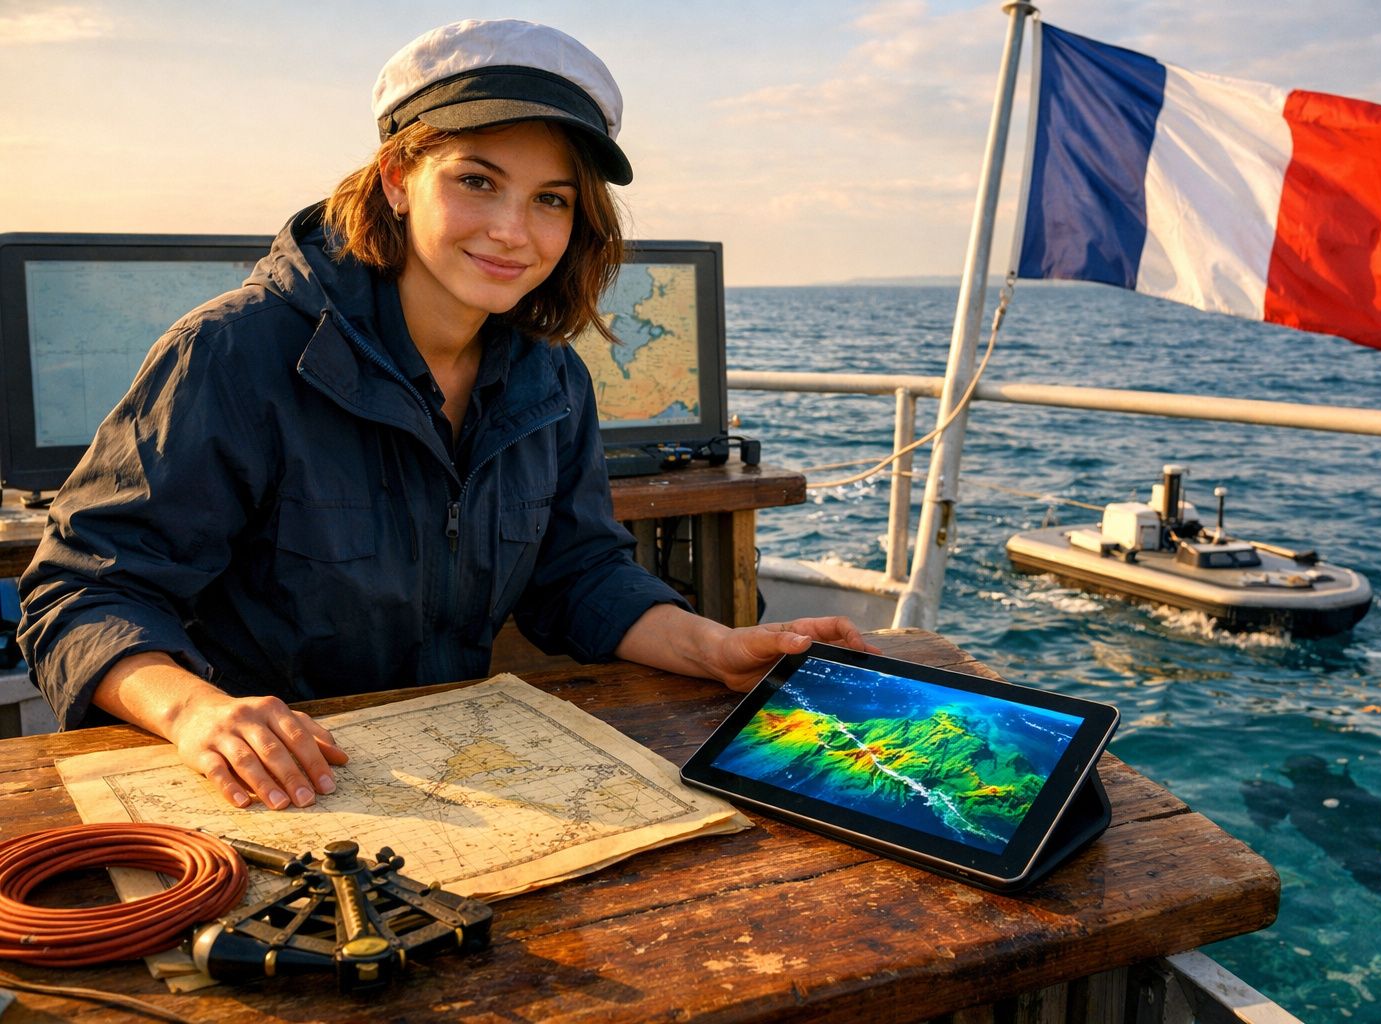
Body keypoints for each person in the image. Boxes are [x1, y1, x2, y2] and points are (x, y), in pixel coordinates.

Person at [17, 19, 871, 813]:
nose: (513, 231)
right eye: (476, 181)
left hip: (453, 783)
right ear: (397, 177)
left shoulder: (553, 382)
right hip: (253, 789)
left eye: (551, 199)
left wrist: (715, 648)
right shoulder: (234, 353)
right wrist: (201, 713)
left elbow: (578, 576)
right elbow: (82, 591)